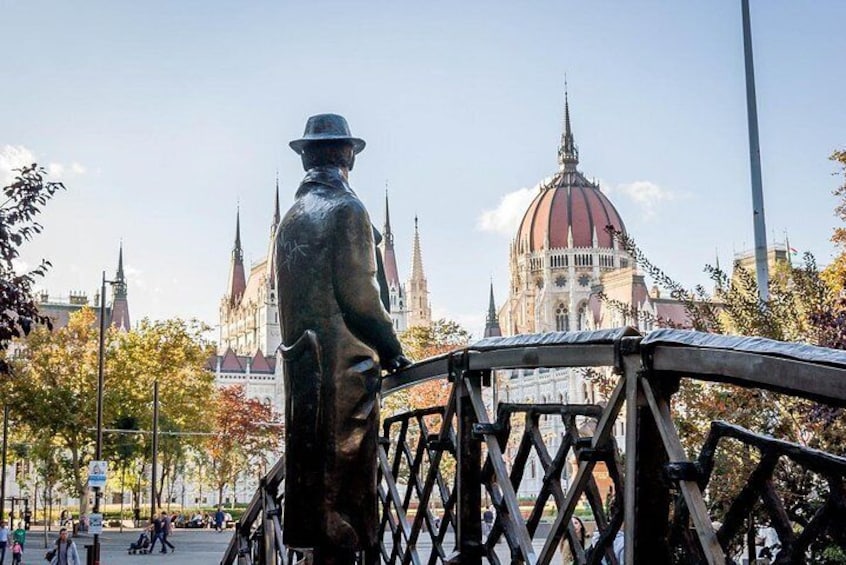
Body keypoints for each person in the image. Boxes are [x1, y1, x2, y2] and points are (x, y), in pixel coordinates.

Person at [276, 113, 410, 555]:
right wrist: (393, 350)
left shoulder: (291, 219)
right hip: (346, 378)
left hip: (304, 377)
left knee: (315, 495)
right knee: (345, 506)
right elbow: (361, 298)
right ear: (347, 156)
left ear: (305, 160)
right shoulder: (346, 209)